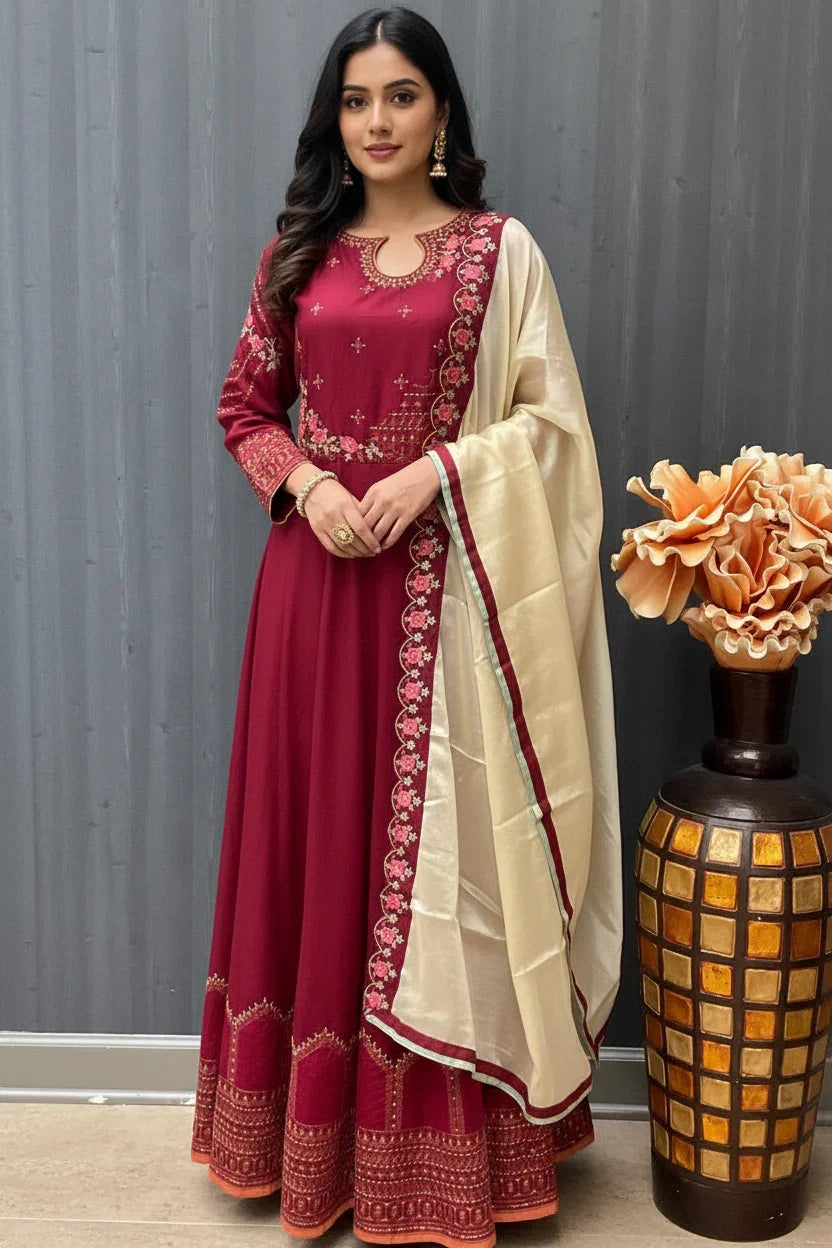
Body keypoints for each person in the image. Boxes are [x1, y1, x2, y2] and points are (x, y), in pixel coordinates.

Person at [190, 7, 622, 1247]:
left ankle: (444, 1162)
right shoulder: (297, 253)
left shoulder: (500, 253)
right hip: (311, 596)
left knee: (440, 868)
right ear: (335, 118)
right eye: (355, 100)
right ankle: (300, 1152)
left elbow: (549, 428)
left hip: (450, 601)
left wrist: (434, 474)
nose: (376, 122)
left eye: (401, 97)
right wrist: (314, 487)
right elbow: (243, 402)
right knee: (315, 842)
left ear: (442, 113)